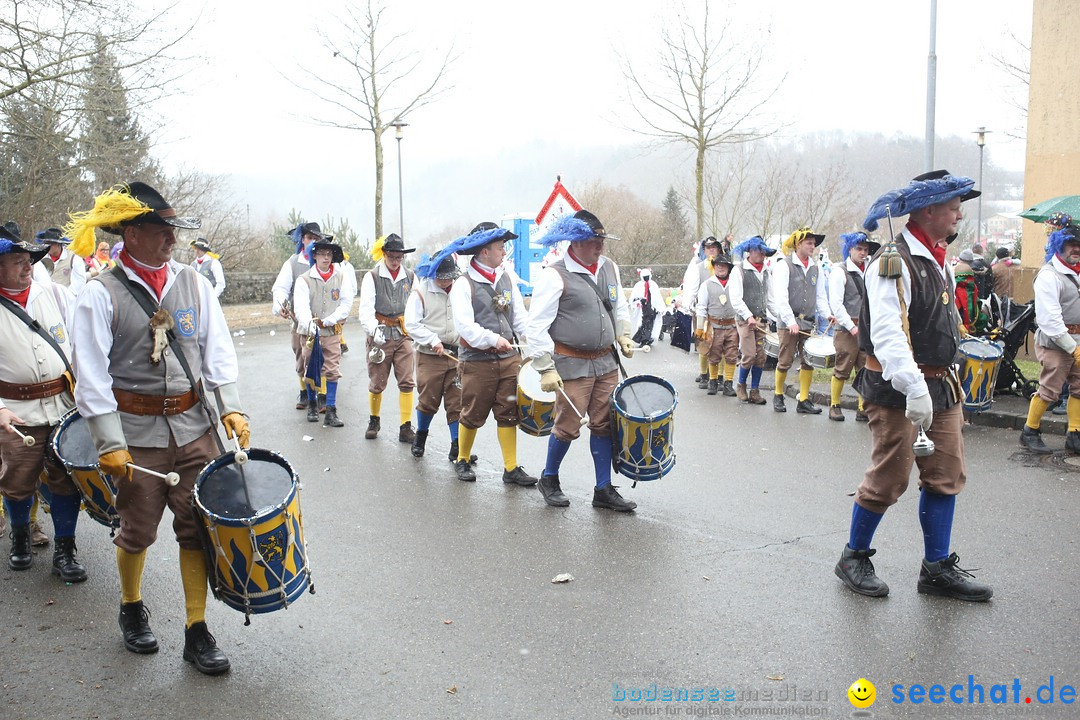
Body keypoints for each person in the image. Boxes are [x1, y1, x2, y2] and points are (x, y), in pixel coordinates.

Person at [67, 181, 251, 674]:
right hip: (135, 435)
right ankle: (131, 607)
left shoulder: (194, 282)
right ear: (130, 232)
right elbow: (90, 374)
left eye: (172, 229)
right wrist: (108, 441)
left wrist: (231, 407)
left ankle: (196, 629)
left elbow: (217, 352)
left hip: (195, 429)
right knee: (138, 530)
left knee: (197, 529)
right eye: (160, 229)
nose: (171, 239)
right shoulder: (97, 293)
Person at [836, 169, 992, 602]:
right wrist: (913, 387)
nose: (959, 214)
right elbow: (887, 334)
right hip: (896, 388)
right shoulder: (892, 260)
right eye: (954, 206)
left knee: (946, 475)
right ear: (928, 211)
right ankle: (853, 557)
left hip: (942, 386)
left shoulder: (937, 257)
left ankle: (936, 568)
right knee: (888, 478)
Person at [527, 210, 637, 512]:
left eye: (601, 240)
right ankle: (549, 479)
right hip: (571, 362)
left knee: (604, 425)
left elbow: (619, 305)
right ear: (574, 243)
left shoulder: (608, 268)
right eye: (592, 241)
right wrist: (546, 367)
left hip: (605, 362)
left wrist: (623, 333)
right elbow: (535, 326)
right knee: (567, 425)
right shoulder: (554, 274)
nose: (599, 246)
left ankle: (603, 489)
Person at [0, 224, 86, 582]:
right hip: (15, 412)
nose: (27, 266)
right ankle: (20, 536)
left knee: (67, 479)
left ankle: (66, 548)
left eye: (28, 260)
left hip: (63, 406)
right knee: (16, 481)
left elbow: (81, 340)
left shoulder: (53, 293)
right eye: (18, 260)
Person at [445, 222, 536, 485]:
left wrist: (536, 341)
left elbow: (520, 317)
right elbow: (465, 327)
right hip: (477, 360)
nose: (505, 252)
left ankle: (511, 468)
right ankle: (462, 459)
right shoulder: (463, 284)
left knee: (509, 411)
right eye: (500, 247)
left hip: (509, 359)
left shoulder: (506, 277)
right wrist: (493, 339)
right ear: (484, 251)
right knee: (472, 412)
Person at [1019, 224, 1080, 454]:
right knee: (1049, 389)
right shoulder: (1048, 275)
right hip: (1056, 342)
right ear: (1059, 245)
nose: (1076, 249)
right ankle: (1029, 431)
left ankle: (1075, 435)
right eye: (1071, 244)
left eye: (1079, 245)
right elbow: (1049, 320)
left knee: (1079, 388)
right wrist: (1073, 349)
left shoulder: (1078, 271)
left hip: (1079, 339)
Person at [404, 255, 468, 460]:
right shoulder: (420, 292)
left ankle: (457, 445)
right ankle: (420, 437)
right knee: (428, 400)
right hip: (430, 356)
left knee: (456, 401)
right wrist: (432, 339)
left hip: (456, 354)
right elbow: (412, 324)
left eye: (450, 277)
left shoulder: (460, 290)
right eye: (442, 278)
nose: (446, 282)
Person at [358, 234, 417, 442]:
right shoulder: (372, 277)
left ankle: (406, 426)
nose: (395, 261)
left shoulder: (410, 277)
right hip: (380, 333)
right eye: (392, 256)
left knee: (407, 381)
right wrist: (374, 329)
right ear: (384, 254)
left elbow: (416, 306)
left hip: (403, 334)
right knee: (377, 381)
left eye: (399, 257)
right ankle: (374, 419)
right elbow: (365, 310)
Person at [293, 238, 354, 427]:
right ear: (315, 256)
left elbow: (346, 303)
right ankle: (312, 404)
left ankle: (331, 409)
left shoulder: (341, 276)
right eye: (322, 254)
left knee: (333, 369)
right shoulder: (304, 280)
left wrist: (329, 320)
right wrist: (311, 325)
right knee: (310, 366)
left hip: (331, 331)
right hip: (310, 332)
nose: (326, 258)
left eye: (329, 254)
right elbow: (301, 308)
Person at [769, 227, 828, 414]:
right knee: (785, 360)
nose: (813, 246)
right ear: (798, 244)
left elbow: (820, 297)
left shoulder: (815, 267)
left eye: (814, 244)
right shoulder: (784, 265)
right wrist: (789, 321)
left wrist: (827, 314)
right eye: (809, 243)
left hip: (808, 322)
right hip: (789, 321)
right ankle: (778, 394)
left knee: (808, 361)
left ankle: (803, 400)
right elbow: (780, 297)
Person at [271, 222, 325, 411]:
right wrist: (281, 305)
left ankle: (323, 395)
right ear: (302, 239)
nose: (312, 242)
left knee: (326, 358)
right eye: (309, 238)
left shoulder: (326, 261)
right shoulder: (292, 263)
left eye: (316, 239)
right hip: (299, 321)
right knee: (301, 356)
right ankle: (304, 391)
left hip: (323, 320)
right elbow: (281, 288)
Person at [826, 232, 880, 422]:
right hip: (847, 329)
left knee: (865, 368)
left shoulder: (871, 270)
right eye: (859, 249)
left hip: (866, 327)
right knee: (842, 367)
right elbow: (837, 304)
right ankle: (834, 405)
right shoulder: (839, 271)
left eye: (865, 250)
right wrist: (851, 326)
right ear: (850, 249)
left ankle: (862, 407)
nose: (863, 253)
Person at [729, 236, 774, 405]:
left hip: (761, 320)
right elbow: (736, 299)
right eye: (759, 251)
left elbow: (769, 298)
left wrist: (775, 317)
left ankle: (755, 390)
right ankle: (741, 385)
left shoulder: (766, 271)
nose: (763, 255)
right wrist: (748, 315)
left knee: (761, 356)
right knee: (749, 354)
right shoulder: (738, 270)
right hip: (745, 321)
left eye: (764, 252)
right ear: (751, 251)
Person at [695, 251, 739, 396]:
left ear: (729, 268)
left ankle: (728, 383)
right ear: (714, 267)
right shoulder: (706, 285)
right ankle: (713, 381)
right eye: (718, 265)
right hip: (714, 326)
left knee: (731, 355)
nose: (721, 268)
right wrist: (700, 327)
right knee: (714, 354)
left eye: (724, 265)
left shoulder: (735, 284)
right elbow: (701, 306)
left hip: (732, 325)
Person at [683, 236, 722, 388]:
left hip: (721, 311)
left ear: (719, 249)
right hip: (703, 310)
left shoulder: (724, 265)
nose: (711, 250)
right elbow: (692, 288)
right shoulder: (698, 267)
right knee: (704, 342)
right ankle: (704, 373)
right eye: (708, 247)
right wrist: (687, 306)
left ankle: (719, 376)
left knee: (721, 344)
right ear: (704, 250)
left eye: (714, 247)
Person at [35, 227, 87, 291]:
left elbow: (79, 284)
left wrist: (64, 296)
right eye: (45, 243)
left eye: (49, 243)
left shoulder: (74, 258)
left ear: (58, 244)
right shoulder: (40, 259)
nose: (46, 246)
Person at [953, 248, 990, 335]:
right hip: (969, 333)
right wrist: (986, 318)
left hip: (953, 333)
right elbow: (976, 317)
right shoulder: (972, 289)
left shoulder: (950, 289)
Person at [629, 268, 665, 347]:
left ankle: (646, 339)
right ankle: (643, 339)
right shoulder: (639, 285)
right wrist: (637, 302)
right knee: (644, 324)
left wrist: (660, 307)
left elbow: (657, 297)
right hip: (643, 308)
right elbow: (634, 297)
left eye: (647, 276)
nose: (646, 278)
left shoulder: (653, 284)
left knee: (649, 324)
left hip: (652, 308)